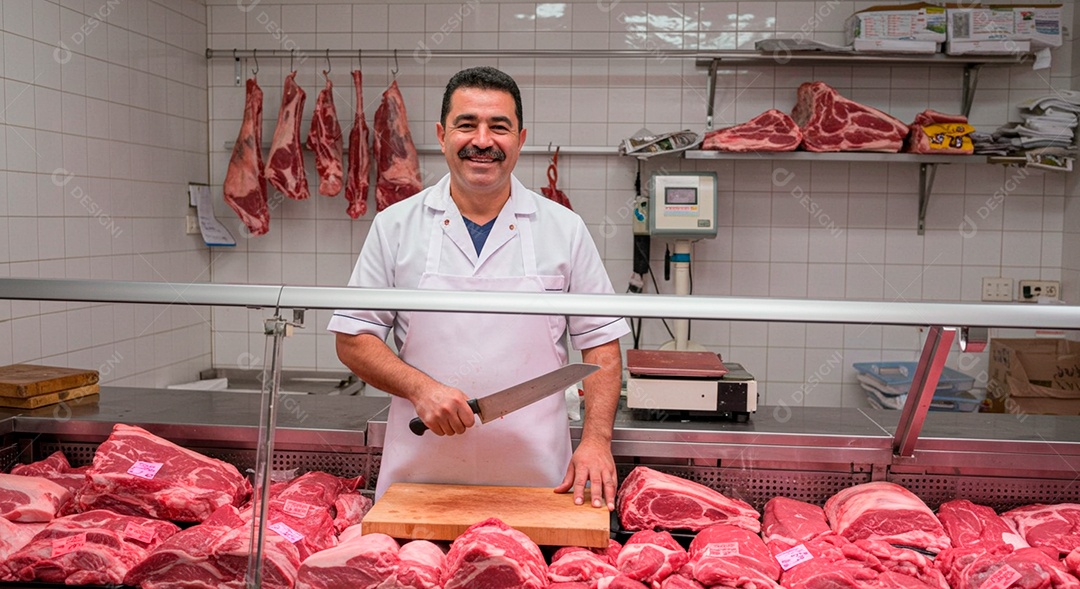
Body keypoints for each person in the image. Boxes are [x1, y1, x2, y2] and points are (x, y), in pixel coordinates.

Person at [328, 66, 629, 509]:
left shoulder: (564, 228)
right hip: (421, 479)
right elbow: (353, 339)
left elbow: (601, 344)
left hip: (539, 481)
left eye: (499, 127)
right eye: (466, 124)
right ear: (442, 134)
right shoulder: (394, 225)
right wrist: (420, 389)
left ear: (521, 139)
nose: (482, 141)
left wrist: (597, 441)